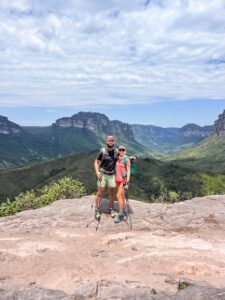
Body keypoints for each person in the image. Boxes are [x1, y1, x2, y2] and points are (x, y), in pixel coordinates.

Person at [94, 135, 118, 220]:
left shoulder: (116, 151)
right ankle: (97, 210)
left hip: (111, 175)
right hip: (103, 174)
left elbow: (123, 158)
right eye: (109, 140)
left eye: (112, 140)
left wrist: (130, 158)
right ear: (106, 141)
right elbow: (96, 162)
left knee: (111, 193)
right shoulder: (103, 151)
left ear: (114, 142)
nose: (110, 141)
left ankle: (111, 209)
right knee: (100, 193)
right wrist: (97, 172)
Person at [114, 145, 131, 223]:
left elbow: (128, 171)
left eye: (123, 150)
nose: (121, 151)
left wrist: (127, 182)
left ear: (125, 151)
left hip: (123, 181)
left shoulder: (126, 159)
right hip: (117, 179)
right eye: (120, 150)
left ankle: (121, 213)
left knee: (118, 195)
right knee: (122, 196)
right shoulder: (117, 158)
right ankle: (124, 211)